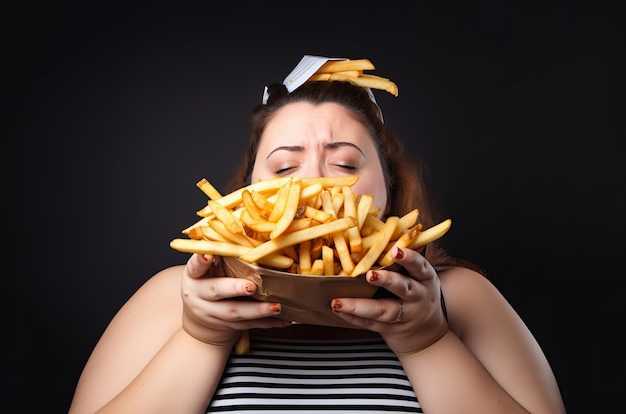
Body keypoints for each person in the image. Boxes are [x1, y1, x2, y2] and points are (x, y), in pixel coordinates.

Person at [68, 55, 566, 414]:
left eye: (346, 162)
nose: (313, 181)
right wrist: (202, 338)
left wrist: (427, 341)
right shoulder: (171, 297)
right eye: (285, 165)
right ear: (246, 193)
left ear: (388, 192)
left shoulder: (461, 298)